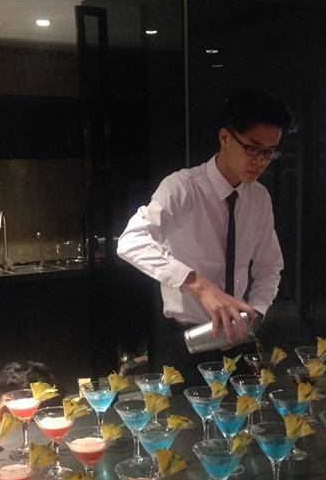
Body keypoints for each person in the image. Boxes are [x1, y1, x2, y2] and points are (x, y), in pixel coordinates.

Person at [117, 88, 295, 385]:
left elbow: (270, 266)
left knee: (248, 412)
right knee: (185, 414)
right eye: (253, 148)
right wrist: (200, 286)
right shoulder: (183, 187)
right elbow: (131, 241)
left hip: (240, 336)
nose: (261, 161)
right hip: (186, 339)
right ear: (225, 137)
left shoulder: (259, 197)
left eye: (270, 151)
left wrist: (256, 312)